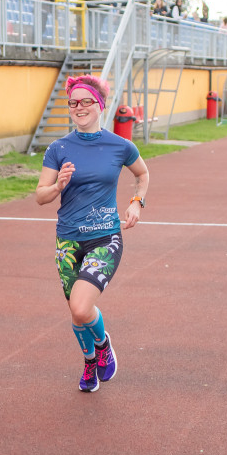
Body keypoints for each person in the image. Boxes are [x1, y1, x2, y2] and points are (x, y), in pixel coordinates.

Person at [35, 75, 150, 393]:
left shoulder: (120, 145)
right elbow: (40, 196)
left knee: (83, 307)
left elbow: (142, 174)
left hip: (105, 237)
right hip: (68, 240)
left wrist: (136, 203)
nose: (79, 107)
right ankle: (89, 362)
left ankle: (103, 344)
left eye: (86, 101)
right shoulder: (58, 149)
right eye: (73, 102)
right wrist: (58, 185)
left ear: (99, 105)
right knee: (76, 310)